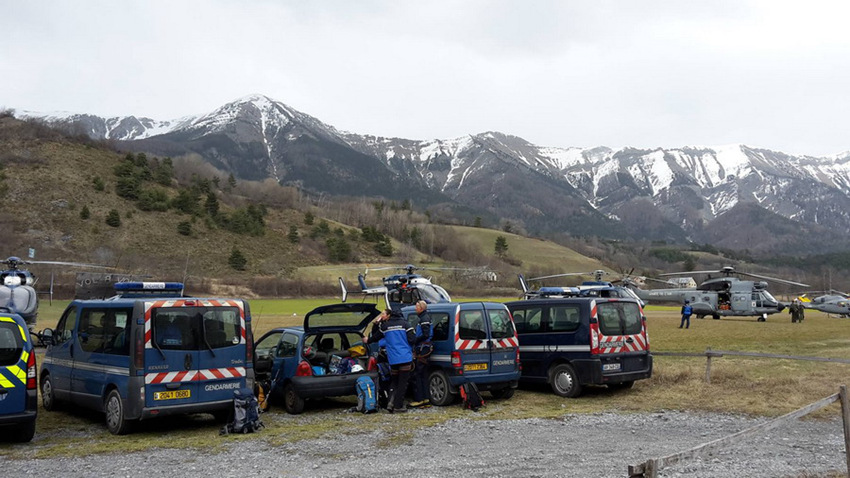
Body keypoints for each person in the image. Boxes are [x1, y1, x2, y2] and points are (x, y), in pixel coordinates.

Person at [369, 309, 415, 413]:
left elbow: (375, 337)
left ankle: (390, 403)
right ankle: (398, 406)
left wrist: (368, 340)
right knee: (402, 383)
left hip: (393, 359)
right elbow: (412, 339)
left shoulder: (385, 327)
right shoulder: (406, 325)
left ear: (391, 315)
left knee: (394, 381)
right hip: (405, 358)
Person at [409, 300, 433, 408]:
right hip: (424, 347)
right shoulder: (424, 318)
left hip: (423, 348)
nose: (415, 308)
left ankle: (419, 399)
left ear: (421, 308)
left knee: (417, 374)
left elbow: (425, 334)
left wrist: (415, 340)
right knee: (423, 374)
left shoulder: (424, 319)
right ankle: (426, 399)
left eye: (416, 307)